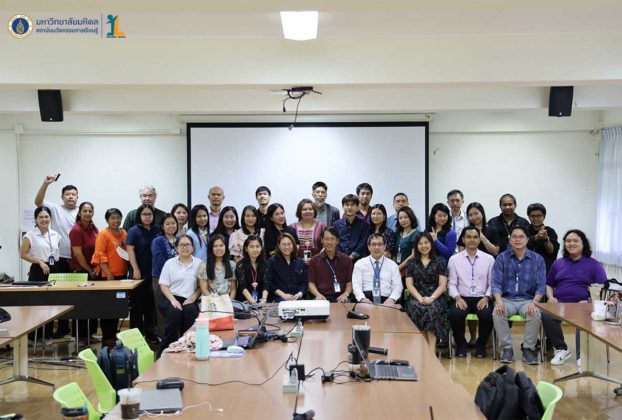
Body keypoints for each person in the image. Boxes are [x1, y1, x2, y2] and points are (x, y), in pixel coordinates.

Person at [543, 229, 607, 365]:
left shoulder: (594, 265)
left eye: (575, 241)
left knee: (582, 318)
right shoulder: (558, 263)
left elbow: (602, 289)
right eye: (568, 241)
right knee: (546, 314)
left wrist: (589, 301)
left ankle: (581, 357)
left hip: (583, 305)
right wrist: (550, 297)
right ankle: (561, 349)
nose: (571, 243)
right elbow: (549, 284)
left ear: (583, 243)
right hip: (560, 305)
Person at [492, 226, 546, 365]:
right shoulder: (502, 258)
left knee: (535, 313)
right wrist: (499, 301)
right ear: (509, 240)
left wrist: (534, 303)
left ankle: (528, 349)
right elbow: (495, 283)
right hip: (506, 299)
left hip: (528, 300)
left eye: (521, 237)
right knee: (498, 312)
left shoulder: (537, 259)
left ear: (527, 240)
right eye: (514, 237)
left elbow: (541, 285)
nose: (518, 239)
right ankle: (507, 349)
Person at [34, 173, 78, 338]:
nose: (70, 197)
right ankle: (62, 327)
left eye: (73, 194)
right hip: (60, 259)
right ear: (62, 197)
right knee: (60, 294)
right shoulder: (55, 209)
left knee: (77, 294)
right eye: (67, 194)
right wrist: (46, 184)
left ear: (77, 197)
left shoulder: (82, 211)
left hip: (78, 260)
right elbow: (38, 202)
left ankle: (76, 330)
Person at [448, 226, 495, 358]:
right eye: (468, 237)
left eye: (475, 237)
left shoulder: (489, 259)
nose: (472, 240)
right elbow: (451, 283)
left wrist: (487, 297)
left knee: (487, 315)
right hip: (462, 297)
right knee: (455, 315)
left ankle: (480, 346)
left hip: (482, 297)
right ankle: (461, 345)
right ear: (463, 239)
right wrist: (457, 298)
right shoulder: (454, 259)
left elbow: (492, 283)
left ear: (479, 240)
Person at [157, 234, 202, 357]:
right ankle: (165, 352)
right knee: (175, 313)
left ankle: (187, 350)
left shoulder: (199, 263)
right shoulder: (170, 263)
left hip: (190, 298)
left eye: (188, 245)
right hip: (171, 297)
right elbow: (163, 285)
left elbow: (201, 286)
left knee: (191, 313)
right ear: (176, 248)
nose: (185, 247)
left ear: (193, 247)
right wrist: (173, 300)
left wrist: (193, 297)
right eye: (181, 245)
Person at [20, 207, 61, 338]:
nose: (44, 219)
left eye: (46, 216)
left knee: (51, 303)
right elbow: (22, 254)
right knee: (37, 303)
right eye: (41, 217)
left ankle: (47, 334)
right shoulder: (30, 235)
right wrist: (39, 262)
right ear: (36, 219)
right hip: (38, 269)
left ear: (50, 218)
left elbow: (55, 254)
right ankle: (34, 336)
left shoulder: (55, 235)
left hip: (53, 269)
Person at [405, 232, 450, 351]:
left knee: (432, 309)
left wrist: (432, 298)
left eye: (426, 242)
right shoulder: (411, 263)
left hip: (436, 296)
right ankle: (423, 348)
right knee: (418, 308)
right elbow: (409, 284)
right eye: (420, 243)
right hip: (416, 296)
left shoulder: (440, 261)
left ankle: (431, 349)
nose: (424, 246)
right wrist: (419, 298)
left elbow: (442, 284)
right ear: (416, 246)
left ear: (431, 244)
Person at [91, 208, 129, 347]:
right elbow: (100, 255)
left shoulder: (124, 233)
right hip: (107, 277)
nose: (116, 221)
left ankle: (113, 334)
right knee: (107, 308)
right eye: (112, 218)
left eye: (118, 217)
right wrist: (108, 274)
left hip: (121, 275)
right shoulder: (103, 234)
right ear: (107, 220)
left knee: (117, 307)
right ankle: (107, 336)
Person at [126, 204, 161, 342]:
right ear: (139, 216)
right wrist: (135, 268)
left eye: (150, 214)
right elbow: (130, 250)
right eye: (144, 214)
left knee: (151, 307)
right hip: (138, 274)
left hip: (154, 274)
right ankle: (136, 339)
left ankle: (151, 335)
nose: (147, 217)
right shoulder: (134, 231)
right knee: (137, 307)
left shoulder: (157, 229)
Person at [69, 202, 99, 340]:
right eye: (84, 211)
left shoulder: (94, 228)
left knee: (93, 304)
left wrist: (96, 267)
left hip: (93, 271)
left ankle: (90, 334)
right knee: (82, 305)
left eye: (90, 211)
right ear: (79, 213)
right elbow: (78, 254)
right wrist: (89, 269)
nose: (87, 213)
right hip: (81, 272)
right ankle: (80, 336)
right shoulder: (76, 230)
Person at [352, 233, 402, 304]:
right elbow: (356, 285)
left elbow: (398, 286)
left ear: (384, 246)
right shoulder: (360, 264)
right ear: (369, 247)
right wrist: (362, 299)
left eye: (380, 244)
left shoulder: (393, 265)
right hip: (365, 299)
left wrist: (392, 299)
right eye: (373, 244)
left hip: (387, 300)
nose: (376, 247)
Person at [307, 227, 353, 303]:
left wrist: (346, 294)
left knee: (347, 305)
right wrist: (317, 294)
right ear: (322, 240)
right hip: (321, 297)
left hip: (341, 297)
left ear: (337, 241)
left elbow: (349, 283)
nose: (329, 242)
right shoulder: (314, 260)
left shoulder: (346, 260)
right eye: (326, 239)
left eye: (332, 239)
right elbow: (311, 283)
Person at [151, 214, 179, 337]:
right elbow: (159, 260)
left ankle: (176, 336)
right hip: (160, 279)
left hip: (177, 279)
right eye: (167, 224)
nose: (171, 226)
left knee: (175, 307)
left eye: (173, 223)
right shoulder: (157, 241)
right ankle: (164, 337)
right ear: (162, 226)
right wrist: (173, 273)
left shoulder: (179, 239)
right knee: (162, 308)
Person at [268, 233, 308, 302]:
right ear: (279, 246)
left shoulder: (300, 262)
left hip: (297, 298)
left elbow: (304, 283)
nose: (287, 247)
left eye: (289, 244)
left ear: (293, 245)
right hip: (278, 298)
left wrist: (299, 294)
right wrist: (283, 295)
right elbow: (270, 283)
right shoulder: (272, 261)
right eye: (284, 244)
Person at [198, 234, 237, 300]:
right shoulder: (204, 265)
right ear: (211, 249)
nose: (219, 248)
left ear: (226, 247)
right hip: (210, 300)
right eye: (215, 246)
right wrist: (217, 302)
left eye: (221, 245)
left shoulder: (232, 264)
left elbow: (233, 289)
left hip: (227, 301)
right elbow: (204, 289)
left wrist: (230, 302)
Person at [525, 203, 560, 273]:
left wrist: (545, 239)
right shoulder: (523, 230)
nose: (535, 218)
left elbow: (552, 252)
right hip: (526, 271)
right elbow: (520, 246)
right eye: (533, 216)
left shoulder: (550, 231)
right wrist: (536, 237)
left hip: (545, 271)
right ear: (528, 217)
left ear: (544, 216)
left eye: (539, 216)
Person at [333, 194, 369, 261]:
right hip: (339, 259)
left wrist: (352, 256)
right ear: (343, 207)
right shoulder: (336, 224)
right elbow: (335, 242)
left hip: (358, 261)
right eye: (347, 205)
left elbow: (363, 243)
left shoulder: (364, 225)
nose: (349, 207)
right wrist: (342, 256)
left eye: (352, 205)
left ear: (357, 207)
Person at [235, 235, 269, 304]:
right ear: (246, 249)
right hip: (244, 301)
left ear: (261, 248)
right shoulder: (240, 265)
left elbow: (266, 284)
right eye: (251, 246)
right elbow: (242, 286)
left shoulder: (265, 264)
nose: (255, 250)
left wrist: (263, 300)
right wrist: (253, 303)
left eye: (257, 246)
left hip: (261, 300)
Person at [395, 206, 420, 271]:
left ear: (411, 217)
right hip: (396, 268)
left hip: (410, 269)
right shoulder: (397, 234)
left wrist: (399, 267)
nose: (403, 220)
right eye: (400, 218)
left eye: (406, 217)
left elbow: (413, 255)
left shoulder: (416, 234)